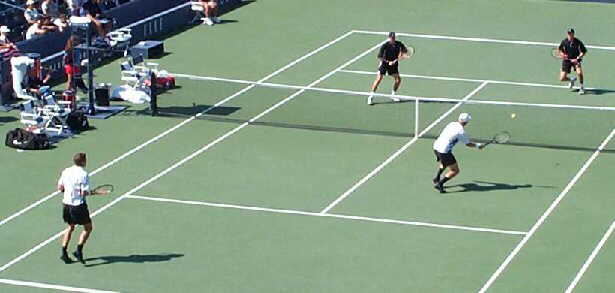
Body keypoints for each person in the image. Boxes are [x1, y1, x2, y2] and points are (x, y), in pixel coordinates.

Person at [57, 153, 108, 264]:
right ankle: (78, 251)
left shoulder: (66, 171)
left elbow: (60, 188)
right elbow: (84, 192)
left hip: (66, 205)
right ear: (83, 161)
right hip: (78, 206)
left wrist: (69, 191)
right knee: (88, 228)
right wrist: (97, 192)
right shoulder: (83, 174)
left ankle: (64, 252)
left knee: (70, 227)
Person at [432, 113, 484, 193]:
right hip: (444, 152)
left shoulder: (451, 124)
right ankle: (440, 184)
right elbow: (468, 144)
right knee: (455, 170)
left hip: (436, 147)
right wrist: (478, 145)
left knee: (444, 163)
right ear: (466, 122)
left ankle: (437, 178)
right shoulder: (461, 132)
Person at [367, 32, 408, 105]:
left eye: (394, 37)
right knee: (378, 79)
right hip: (384, 64)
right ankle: (371, 96)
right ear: (389, 38)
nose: (393, 38)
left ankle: (393, 95)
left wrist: (402, 54)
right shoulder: (384, 46)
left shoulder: (399, 44)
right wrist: (388, 62)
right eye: (391, 37)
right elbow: (379, 56)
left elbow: (405, 50)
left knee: (398, 80)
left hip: (394, 65)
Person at [558, 28, 587, 95]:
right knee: (562, 78)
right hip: (567, 60)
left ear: (573, 34)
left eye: (571, 34)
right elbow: (560, 50)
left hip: (576, 60)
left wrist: (578, 58)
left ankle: (582, 87)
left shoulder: (578, 42)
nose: (569, 35)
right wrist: (563, 55)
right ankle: (571, 79)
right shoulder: (564, 41)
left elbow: (584, 51)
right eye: (568, 34)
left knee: (579, 73)